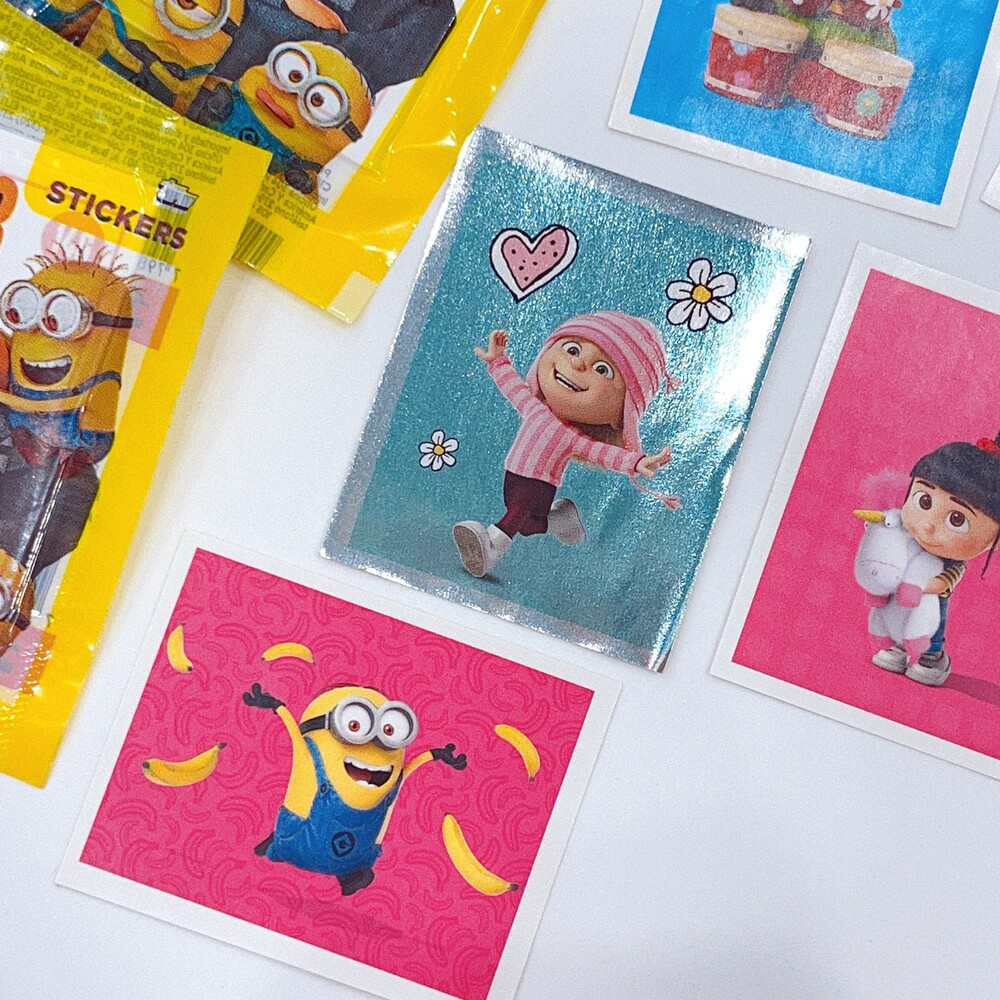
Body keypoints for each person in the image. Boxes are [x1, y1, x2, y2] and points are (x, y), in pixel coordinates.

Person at [453, 311, 679, 579]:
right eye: (573, 349)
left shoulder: (573, 438)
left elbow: (604, 453)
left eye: (602, 369)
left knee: (517, 514)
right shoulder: (534, 408)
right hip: (513, 476)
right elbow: (513, 386)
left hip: (539, 486)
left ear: (621, 416)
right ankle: (562, 520)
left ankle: (492, 547)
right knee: (527, 524)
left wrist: (637, 461)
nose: (579, 363)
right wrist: (498, 360)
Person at [872, 433, 1000, 686]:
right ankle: (900, 645)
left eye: (957, 519)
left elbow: (945, 582)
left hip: (928, 599)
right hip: (905, 597)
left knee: (931, 622)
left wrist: (922, 586)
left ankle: (932, 655)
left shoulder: (949, 563)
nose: (929, 526)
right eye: (925, 500)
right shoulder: (911, 542)